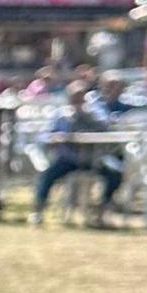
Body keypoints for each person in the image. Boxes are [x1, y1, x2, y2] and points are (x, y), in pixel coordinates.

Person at [30, 83, 122, 227]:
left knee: (115, 174)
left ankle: (101, 210)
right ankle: (38, 210)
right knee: (48, 176)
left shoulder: (95, 114)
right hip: (69, 160)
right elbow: (44, 137)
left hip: (93, 160)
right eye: (74, 99)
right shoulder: (61, 116)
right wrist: (56, 138)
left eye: (80, 98)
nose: (77, 102)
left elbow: (106, 130)